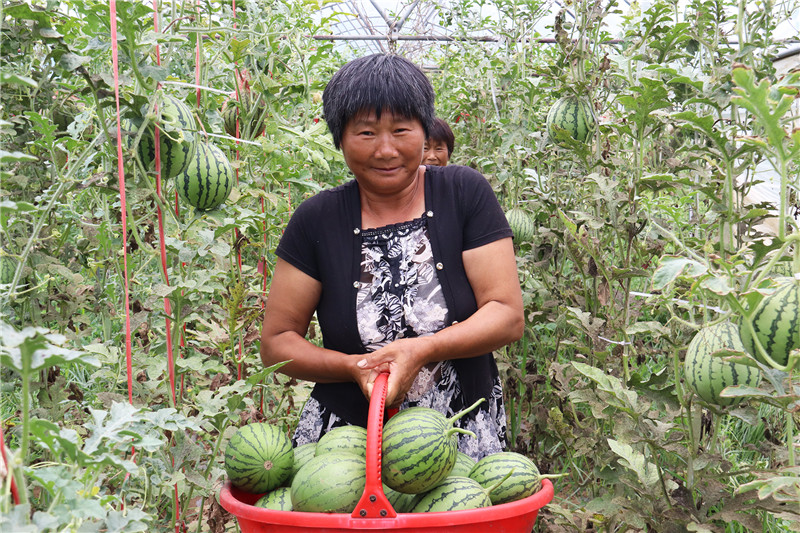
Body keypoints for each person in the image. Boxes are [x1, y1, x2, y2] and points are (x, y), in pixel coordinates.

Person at [260, 53, 523, 460]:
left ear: (424, 131)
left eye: (401, 129)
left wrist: (422, 349)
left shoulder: (463, 193)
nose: (386, 150)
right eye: (365, 133)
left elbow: (505, 314)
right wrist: (353, 367)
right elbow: (278, 342)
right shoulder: (317, 219)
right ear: (339, 138)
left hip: (461, 433)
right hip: (347, 442)